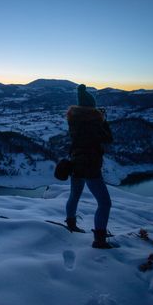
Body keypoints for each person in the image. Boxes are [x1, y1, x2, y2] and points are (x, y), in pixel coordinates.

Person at [65, 84, 114, 249]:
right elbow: (107, 139)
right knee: (104, 202)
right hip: (91, 166)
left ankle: (71, 225)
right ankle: (99, 240)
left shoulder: (74, 120)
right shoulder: (93, 122)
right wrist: (103, 120)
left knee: (74, 195)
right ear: (91, 108)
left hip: (76, 163)